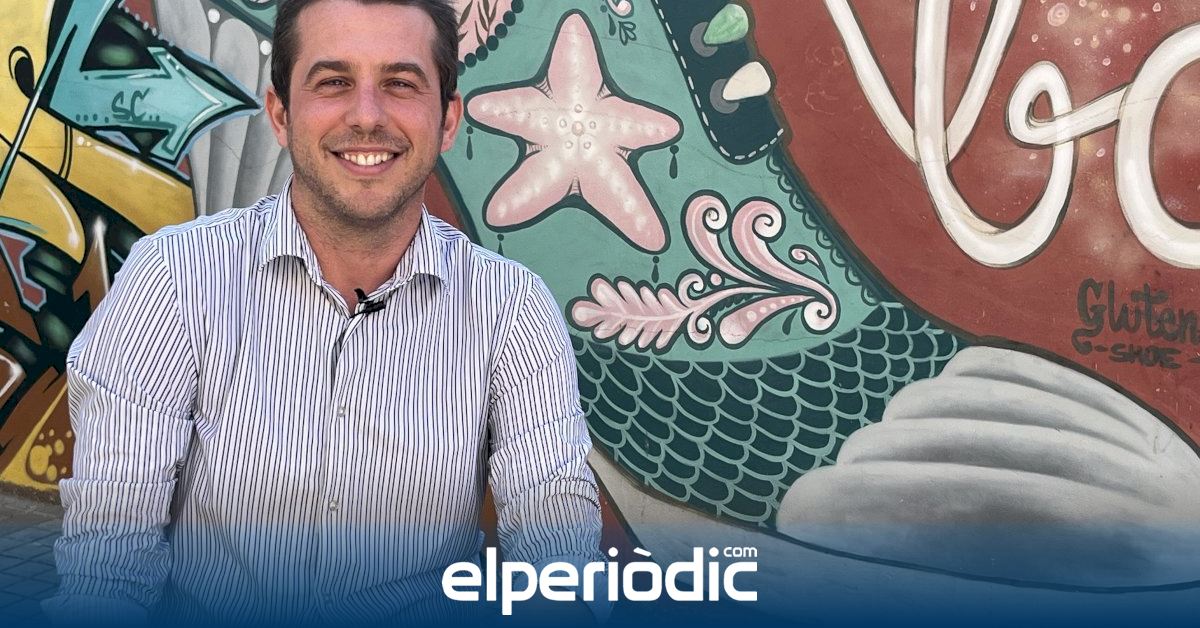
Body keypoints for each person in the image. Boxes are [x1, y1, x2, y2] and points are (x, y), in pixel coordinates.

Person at [43, 0, 604, 624]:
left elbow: (558, 555)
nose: (367, 116)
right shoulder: (173, 280)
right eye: (334, 82)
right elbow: (109, 563)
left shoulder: (510, 309)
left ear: (447, 120)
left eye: (400, 83)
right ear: (281, 114)